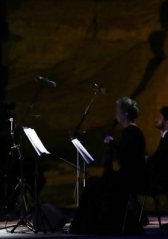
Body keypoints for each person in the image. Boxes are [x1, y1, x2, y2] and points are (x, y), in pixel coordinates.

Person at [69, 97, 147, 235]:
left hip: (129, 179)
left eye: (118, 112)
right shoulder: (132, 132)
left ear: (125, 114)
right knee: (95, 183)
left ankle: (87, 225)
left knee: (93, 184)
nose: (115, 115)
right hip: (129, 176)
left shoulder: (130, 132)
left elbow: (124, 158)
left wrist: (111, 144)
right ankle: (91, 224)